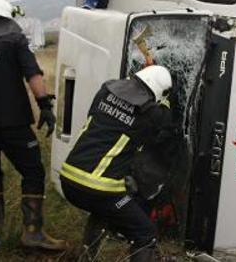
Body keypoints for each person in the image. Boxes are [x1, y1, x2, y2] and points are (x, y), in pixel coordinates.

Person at [0, 0, 66, 251]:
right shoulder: (14, 39)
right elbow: (33, 74)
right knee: (32, 171)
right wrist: (44, 106)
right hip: (12, 122)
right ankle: (32, 232)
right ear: (8, 17)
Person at [60, 65, 176, 262]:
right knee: (145, 233)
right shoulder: (150, 114)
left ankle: (87, 257)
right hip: (98, 189)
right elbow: (165, 120)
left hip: (69, 179)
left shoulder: (106, 90)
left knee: (103, 211)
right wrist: (166, 99)